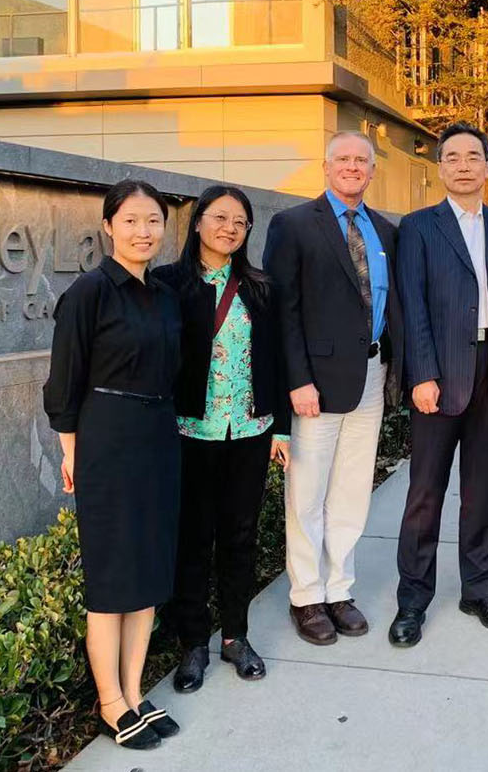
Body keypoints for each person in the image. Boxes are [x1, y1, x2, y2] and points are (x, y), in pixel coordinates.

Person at [44, 179, 183, 751]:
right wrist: (71, 452)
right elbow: (64, 383)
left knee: (147, 571)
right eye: (130, 220)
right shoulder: (89, 293)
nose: (143, 232)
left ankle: (133, 689)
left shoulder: (167, 294)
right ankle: (108, 703)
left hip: (158, 436)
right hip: (106, 438)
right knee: (111, 577)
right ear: (108, 226)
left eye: (153, 221)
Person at [389, 122, 488, 647]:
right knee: (425, 494)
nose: (464, 164)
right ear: (441, 167)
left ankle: (479, 589)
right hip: (439, 375)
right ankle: (412, 600)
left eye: (474, 156)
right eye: (453, 157)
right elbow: (411, 306)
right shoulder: (419, 227)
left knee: (482, 492)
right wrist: (421, 374)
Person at [264, 131, 404, 646]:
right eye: (342, 159)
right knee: (307, 493)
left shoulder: (386, 232)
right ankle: (306, 596)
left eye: (361, 161)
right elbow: (284, 311)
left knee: (350, 491)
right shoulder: (293, 225)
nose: (352, 167)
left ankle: (339, 589)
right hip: (315, 387)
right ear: (325, 166)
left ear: (371, 171)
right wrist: (297, 380)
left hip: (370, 376)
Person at [153, 185, 289, 694]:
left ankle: (235, 635)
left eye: (240, 221)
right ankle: (193, 642)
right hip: (191, 431)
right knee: (193, 539)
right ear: (198, 222)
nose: (229, 228)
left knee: (240, 537)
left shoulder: (259, 286)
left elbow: (275, 359)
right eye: (220, 217)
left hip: (249, 431)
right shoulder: (169, 284)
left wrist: (281, 428)